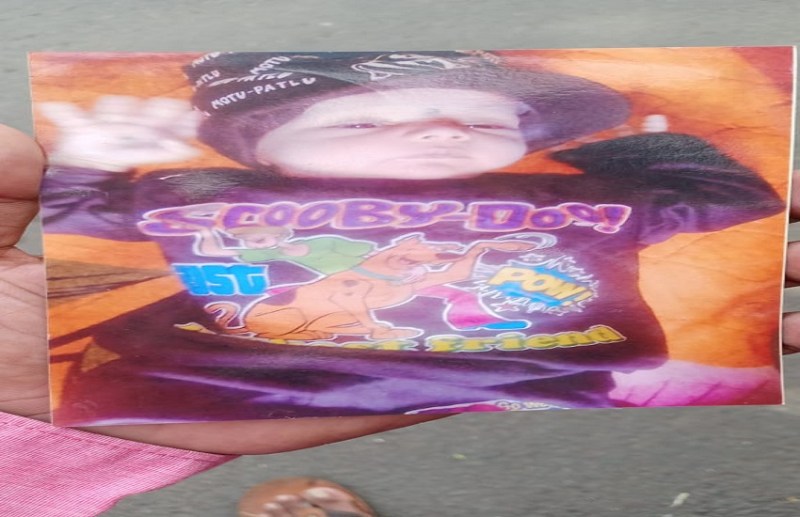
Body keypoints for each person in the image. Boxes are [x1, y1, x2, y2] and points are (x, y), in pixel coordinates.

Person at [35, 51, 786, 426]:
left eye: (484, 120)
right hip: (217, 388)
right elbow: (80, 216)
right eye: (363, 120)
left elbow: (740, 200)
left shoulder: (585, 198)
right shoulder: (206, 192)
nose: (442, 130)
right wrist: (89, 159)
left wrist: (635, 150)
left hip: (529, 389)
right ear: (260, 152)